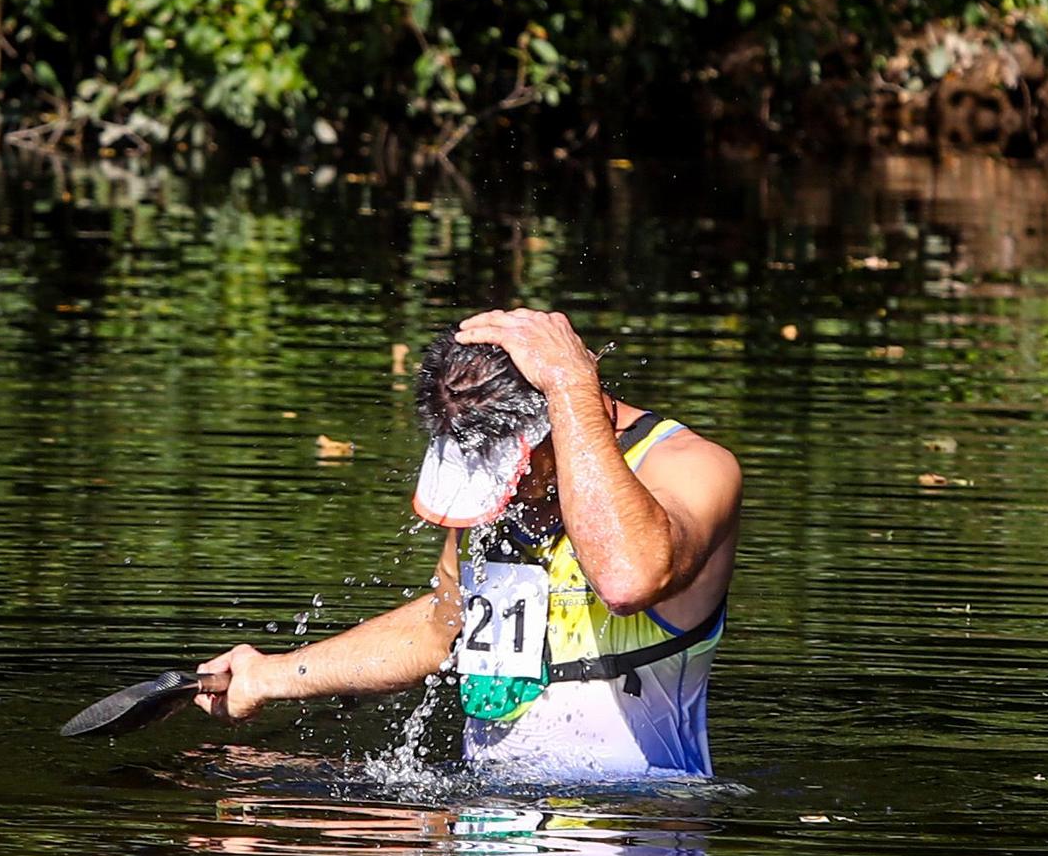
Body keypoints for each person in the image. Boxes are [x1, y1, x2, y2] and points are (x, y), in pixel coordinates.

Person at [193, 308, 742, 779]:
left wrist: (570, 385)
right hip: (486, 855)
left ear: (565, 414)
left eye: (515, 469)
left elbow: (628, 581)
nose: (506, 492)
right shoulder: (499, 496)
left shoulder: (690, 468)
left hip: (631, 854)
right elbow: (442, 627)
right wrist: (272, 675)